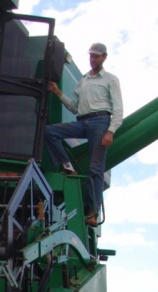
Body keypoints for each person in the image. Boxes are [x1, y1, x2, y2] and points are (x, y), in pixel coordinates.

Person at [44, 42, 123, 227]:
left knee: (95, 168)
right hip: (82, 122)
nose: (93, 59)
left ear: (104, 57)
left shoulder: (110, 79)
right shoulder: (84, 80)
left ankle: (93, 213)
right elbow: (74, 107)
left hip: (100, 122)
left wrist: (110, 131)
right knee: (49, 131)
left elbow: (118, 109)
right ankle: (67, 166)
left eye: (96, 56)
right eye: (91, 56)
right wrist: (57, 92)